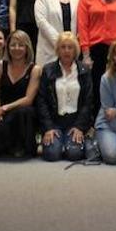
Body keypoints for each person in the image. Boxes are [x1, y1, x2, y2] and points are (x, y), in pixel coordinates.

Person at [36, 32, 95, 162]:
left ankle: (78, 140)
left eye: (70, 47)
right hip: (54, 121)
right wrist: (48, 128)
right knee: (52, 154)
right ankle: (57, 141)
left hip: (75, 121)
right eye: (63, 47)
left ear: (76, 50)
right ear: (57, 50)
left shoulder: (84, 71)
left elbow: (88, 102)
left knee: (74, 154)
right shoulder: (48, 70)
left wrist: (80, 127)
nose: (66, 51)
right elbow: (41, 101)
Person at [0, 31, 41, 158]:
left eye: (21, 45)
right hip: (4, 113)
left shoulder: (35, 69)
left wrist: (4, 108)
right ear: (7, 47)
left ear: (27, 48)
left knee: (24, 111)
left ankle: (23, 146)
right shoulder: (0, 66)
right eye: (13, 45)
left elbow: (29, 99)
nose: (16, 48)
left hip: (24, 113)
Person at [33, 0, 81, 67]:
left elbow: (82, 20)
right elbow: (41, 22)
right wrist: (62, 45)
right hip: (50, 50)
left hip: (73, 50)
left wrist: (71, 45)